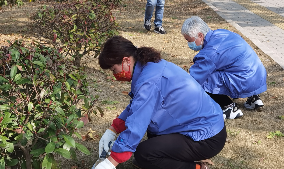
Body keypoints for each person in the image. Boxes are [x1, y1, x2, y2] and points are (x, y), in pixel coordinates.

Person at [94, 36, 226, 169]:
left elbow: (137, 124)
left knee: (144, 155)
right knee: (151, 142)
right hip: (201, 124)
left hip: (206, 137)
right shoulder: (147, 67)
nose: (114, 74)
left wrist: (111, 162)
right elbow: (137, 106)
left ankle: (196, 168)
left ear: (126, 61)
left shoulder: (149, 81)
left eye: (113, 69)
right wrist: (113, 129)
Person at [181, 16, 267, 119]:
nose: (188, 44)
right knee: (232, 66)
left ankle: (229, 107)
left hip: (245, 80)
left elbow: (194, 79)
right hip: (258, 75)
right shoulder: (221, 33)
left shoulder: (210, 53)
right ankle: (254, 98)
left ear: (200, 35)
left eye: (188, 40)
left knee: (206, 79)